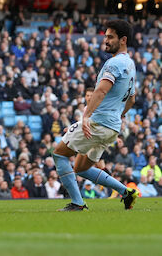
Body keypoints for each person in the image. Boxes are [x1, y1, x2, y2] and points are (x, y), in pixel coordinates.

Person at [52, 20, 139, 211]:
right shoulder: (130, 65)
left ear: (123, 40)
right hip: (112, 127)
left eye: (110, 37)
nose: (105, 40)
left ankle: (77, 203)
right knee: (80, 168)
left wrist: (85, 117)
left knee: (58, 154)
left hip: (98, 123)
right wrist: (118, 116)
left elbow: (100, 91)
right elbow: (131, 100)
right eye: (105, 36)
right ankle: (126, 192)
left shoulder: (114, 63)